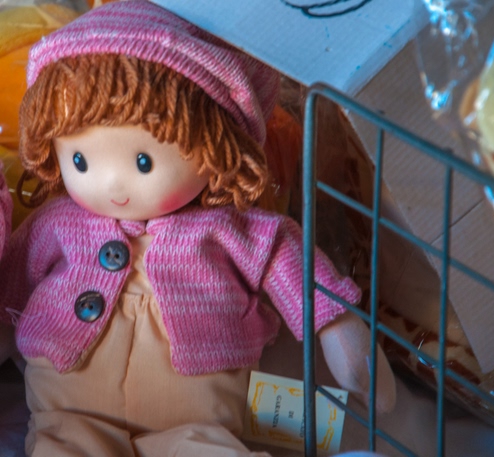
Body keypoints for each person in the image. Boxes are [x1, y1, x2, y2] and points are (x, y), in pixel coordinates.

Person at [0, 1, 395, 455]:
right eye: (80, 161)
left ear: (213, 144)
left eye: (143, 161)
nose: (111, 185)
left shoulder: (230, 230)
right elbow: (10, 288)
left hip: (198, 424)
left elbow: (290, 265)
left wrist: (335, 325)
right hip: (68, 418)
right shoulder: (55, 223)